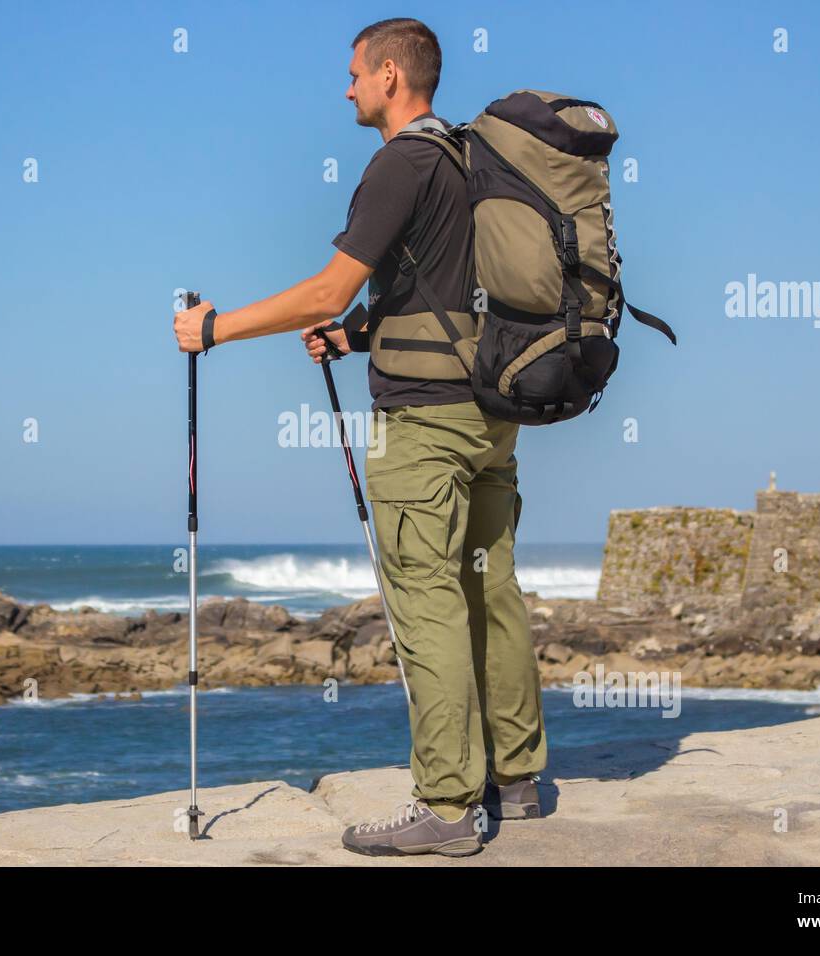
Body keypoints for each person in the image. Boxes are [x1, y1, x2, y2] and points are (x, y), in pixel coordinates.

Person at [173, 17, 545, 858]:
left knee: (428, 601)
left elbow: (324, 290)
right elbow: (441, 291)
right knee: (491, 589)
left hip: (425, 420)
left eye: (351, 75)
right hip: (493, 415)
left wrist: (216, 328)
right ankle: (515, 780)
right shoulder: (468, 161)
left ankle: (447, 808)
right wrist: (359, 335)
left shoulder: (402, 161)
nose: (344, 90)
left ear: (388, 75)